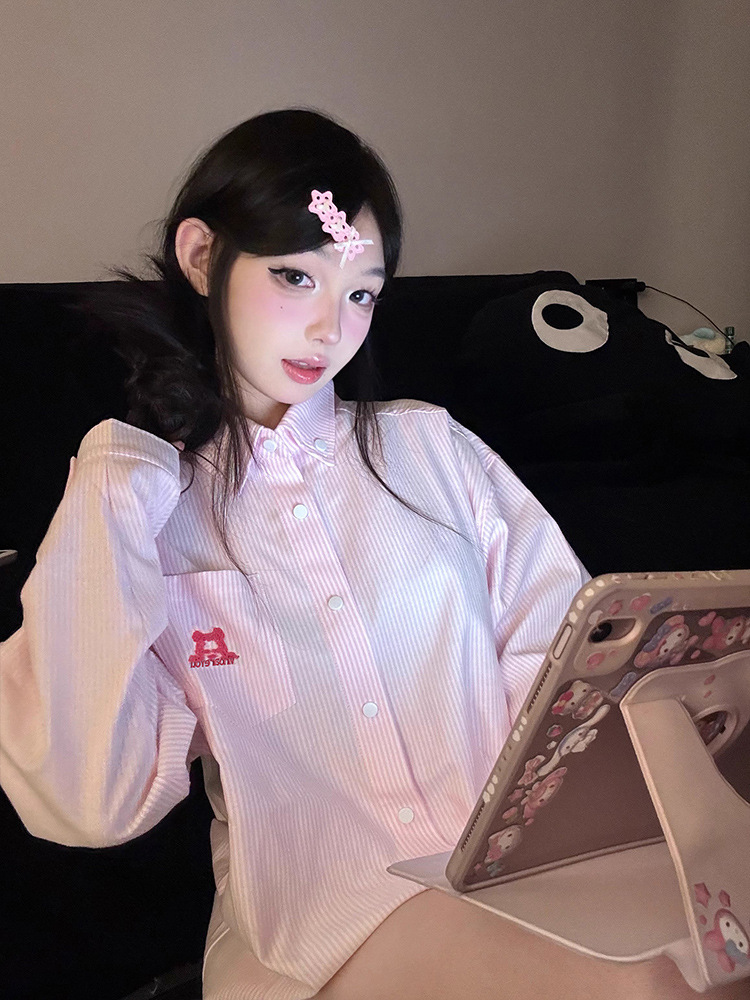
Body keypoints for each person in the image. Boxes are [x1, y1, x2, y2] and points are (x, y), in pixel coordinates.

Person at [0, 109, 741, 1000]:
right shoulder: (146, 506)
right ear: (201, 257)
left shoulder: (431, 449)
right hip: (327, 917)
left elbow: (565, 665)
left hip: (524, 875)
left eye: (360, 293)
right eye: (295, 276)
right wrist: (114, 476)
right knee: (647, 987)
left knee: (706, 962)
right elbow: (86, 799)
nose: (330, 328)